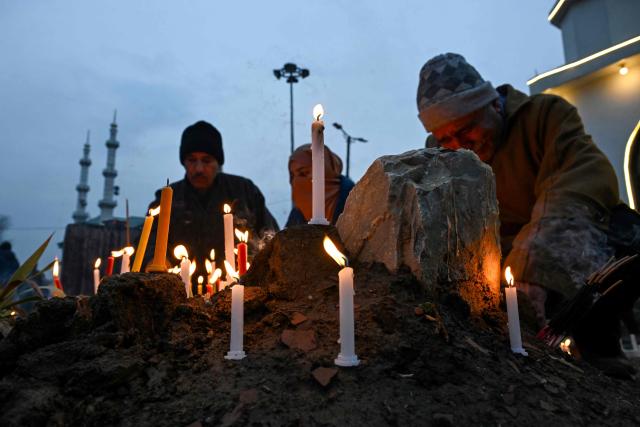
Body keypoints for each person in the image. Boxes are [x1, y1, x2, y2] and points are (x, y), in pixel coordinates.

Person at [415, 53, 640, 376]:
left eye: (467, 131)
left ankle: (597, 346)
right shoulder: (442, 155)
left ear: (494, 106)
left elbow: (575, 182)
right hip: (499, 260)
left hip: (559, 239)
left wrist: (532, 261)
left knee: (628, 239)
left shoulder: (545, 115)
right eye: (445, 138)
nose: (459, 146)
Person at [145, 120, 279, 284]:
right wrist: (155, 261)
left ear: (218, 162)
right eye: (192, 160)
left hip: (238, 290)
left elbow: (270, 235)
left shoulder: (244, 190)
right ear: (184, 162)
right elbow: (148, 239)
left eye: (207, 160)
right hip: (179, 291)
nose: (199, 168)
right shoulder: (168, 199)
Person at [285, 144, 355, 227]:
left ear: (325, 169)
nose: (296, 181)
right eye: (292, 176)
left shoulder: (359, 205)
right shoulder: (297, 215)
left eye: (303, 173)